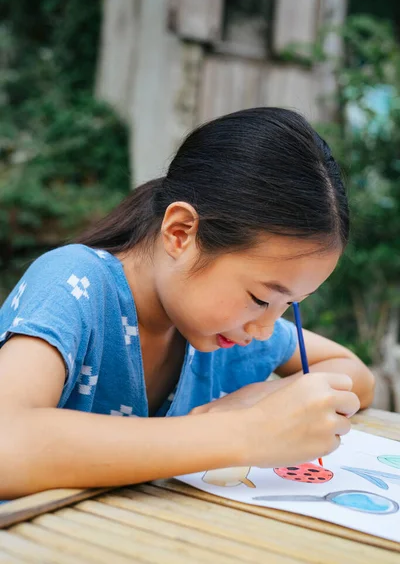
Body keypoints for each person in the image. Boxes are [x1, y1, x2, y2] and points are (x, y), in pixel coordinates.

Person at [0, 107, 375, 499]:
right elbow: (6, 441)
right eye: (261, 298)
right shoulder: (74, 285)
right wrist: (246, 431)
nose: (266, 328)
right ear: (180, 233)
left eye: (291, 304)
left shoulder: (224, 331)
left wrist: (256, 400)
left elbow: (355, 375)